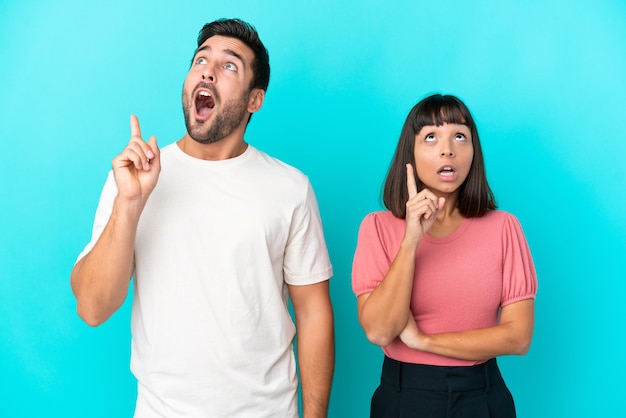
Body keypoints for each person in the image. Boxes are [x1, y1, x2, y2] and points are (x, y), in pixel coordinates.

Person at [71, 18, 334, 418]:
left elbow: (314, 312)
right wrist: (129, 204)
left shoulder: (290, 188)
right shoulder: (133, 178)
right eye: (200, 60)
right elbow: (92, 308)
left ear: (254, 100)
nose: (208, 69)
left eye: (230, 65)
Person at [352, 94, 537, 417]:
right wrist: (411, 240)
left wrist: (425, 341)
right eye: (431, 137)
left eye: (459, 136)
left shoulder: (504, 227)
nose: (447, 149)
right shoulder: (377, 227)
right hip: (404, 396)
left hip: (482, 395)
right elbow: (380, 331)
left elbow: (518, 337)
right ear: (410, 152)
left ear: (472, 152)